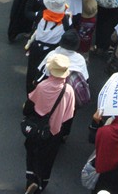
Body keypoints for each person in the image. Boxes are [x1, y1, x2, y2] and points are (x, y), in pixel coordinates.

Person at [22, 53, 75, 194]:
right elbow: (68, 116)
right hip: (55, 132)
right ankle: (41, 184)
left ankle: (31, 180)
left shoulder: (42, 86)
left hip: (37, 128)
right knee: (47, 159)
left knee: (32, 152)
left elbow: (28, 108)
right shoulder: (69, 91)